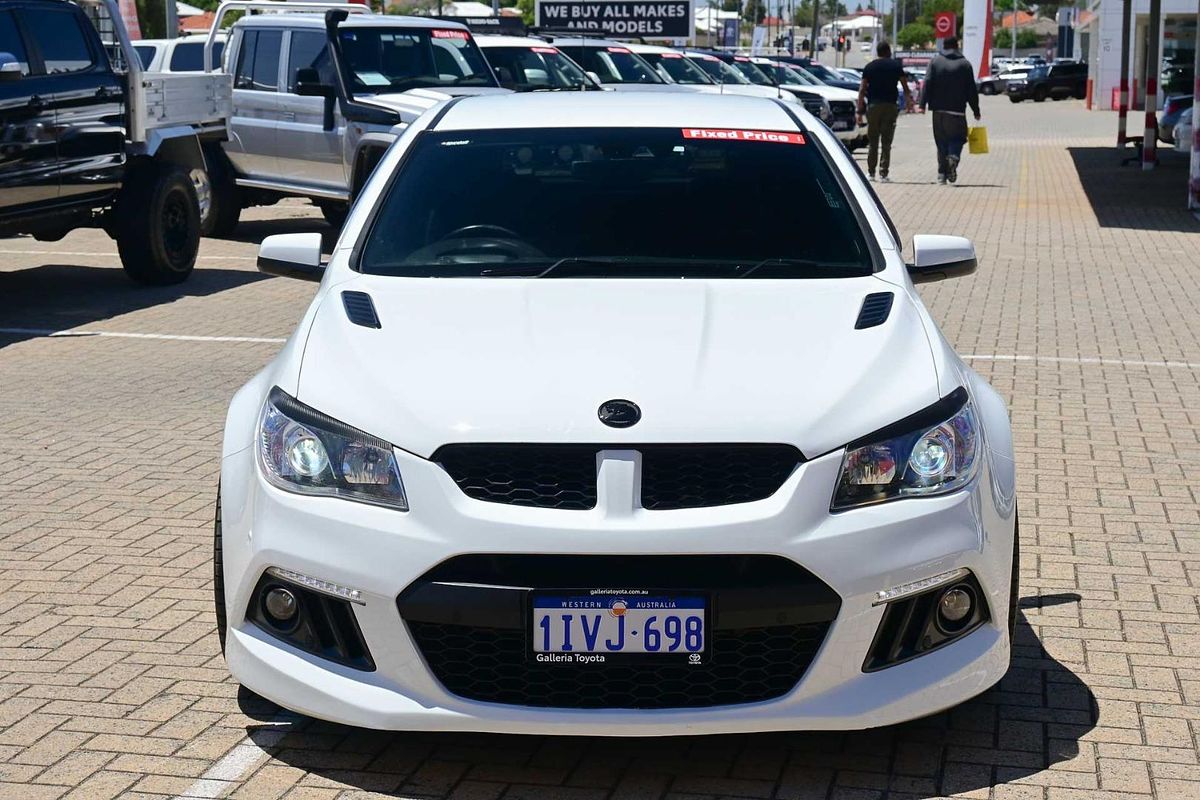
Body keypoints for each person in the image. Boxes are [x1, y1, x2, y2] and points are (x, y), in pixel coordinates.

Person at [918, 36, 980, 185]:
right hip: (957, 111)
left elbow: (927, 82)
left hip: (938, 111)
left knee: (941, 142)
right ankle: (954, 156)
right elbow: (971, 90)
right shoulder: (965, 64)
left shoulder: (935, 62)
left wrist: (922, 104)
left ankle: (941, 174)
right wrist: (976, 110)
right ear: (957, 46)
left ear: (943, 46)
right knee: (958, 138)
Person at [856, 41, 912, 182]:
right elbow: (905, 87)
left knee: (873, 141)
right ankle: (883, 173)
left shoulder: (870, 67)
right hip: (890, 106)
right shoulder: (896, 66)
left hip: (874, 106)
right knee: (886, 142)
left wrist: (859, 110)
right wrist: (909, 103)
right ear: (888, 51)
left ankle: (871, 173)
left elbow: (862, 89)